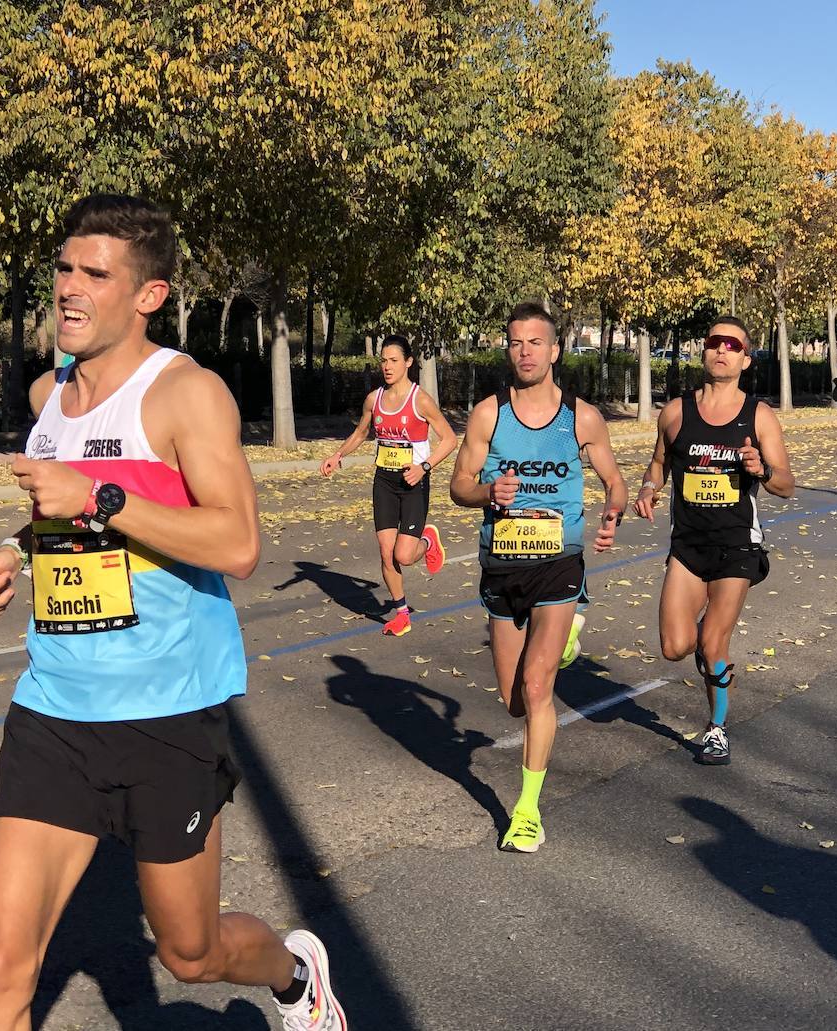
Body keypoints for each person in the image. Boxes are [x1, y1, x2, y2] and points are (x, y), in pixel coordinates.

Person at [0, 196, 345, 1031]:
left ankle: (294, 975)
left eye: (95, 274)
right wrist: (15, 551)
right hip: (55, 706)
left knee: (190, 951)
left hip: (165, 712)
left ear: (149, 295)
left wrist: (98, 496)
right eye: (64, 267)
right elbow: (59, 520)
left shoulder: (184, 394)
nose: (69, 287)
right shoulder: (46, 395)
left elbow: (238, 542)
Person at [450, 301, 627, 853]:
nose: (525, 351)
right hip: (502, 567)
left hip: (559, 565)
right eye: (515, 342)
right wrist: (487, 493)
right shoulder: (487, 414)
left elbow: (614, 483)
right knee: (513, 701)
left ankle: (527, 811)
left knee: (537, 684)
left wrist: (610, 516)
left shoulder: (582, 418)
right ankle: (563, 641)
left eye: (535, 342)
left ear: (555, 351)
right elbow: (458, 485)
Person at [633, 316, 795, 766]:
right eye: (714, 342)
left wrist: (761, 470)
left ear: (745, 358)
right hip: (687, 545)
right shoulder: (676, 412)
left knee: (712, 645)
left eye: (732, 344)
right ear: (704, 352)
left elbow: (786, 483)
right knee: (674, 648)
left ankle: (717, 729)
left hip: (737, 546)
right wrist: (648, 489)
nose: (721, 350)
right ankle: (710, 652)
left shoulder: (758, 415)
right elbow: (658, 463)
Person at [319, 335, 457, 636]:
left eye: (393, 360)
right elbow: (361, 432)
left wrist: (424, 467)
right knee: (385, 552)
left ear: (408, 362)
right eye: (383, 360)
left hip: (413, 480)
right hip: (384, 480)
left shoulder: (420, 400)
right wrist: (337, 455)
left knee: (403, 556)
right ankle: (402, 613)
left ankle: (429, 541)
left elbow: (449, 439)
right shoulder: (374, 399)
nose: (387, 366)